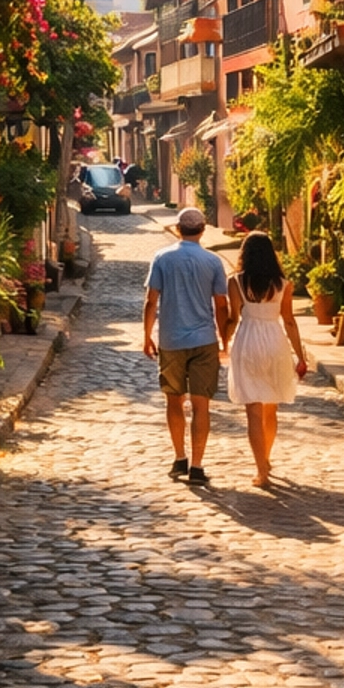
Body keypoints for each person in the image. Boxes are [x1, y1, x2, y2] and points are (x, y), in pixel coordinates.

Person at [143, 206, 230, 487]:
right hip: (204, 339)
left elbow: (151, 300)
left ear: (178, 229)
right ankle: (197, 465)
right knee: (201, 404)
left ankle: (179, 456)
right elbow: (221, 304)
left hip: (171, 339)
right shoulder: (213, 262)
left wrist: (147, 336)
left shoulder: (162, 258)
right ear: (203, 230)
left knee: (173, 399)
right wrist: (224, 339)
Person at [225, 230, 308, 488]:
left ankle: (261, 468)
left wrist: (222, 341)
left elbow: (233, 318)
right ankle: (267, 458)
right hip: (275, 342)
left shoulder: (236, 282)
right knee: (271, 408)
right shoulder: (283, 284)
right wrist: (300, 356)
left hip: (248, 341)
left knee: (253, 409)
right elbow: (290, 321)